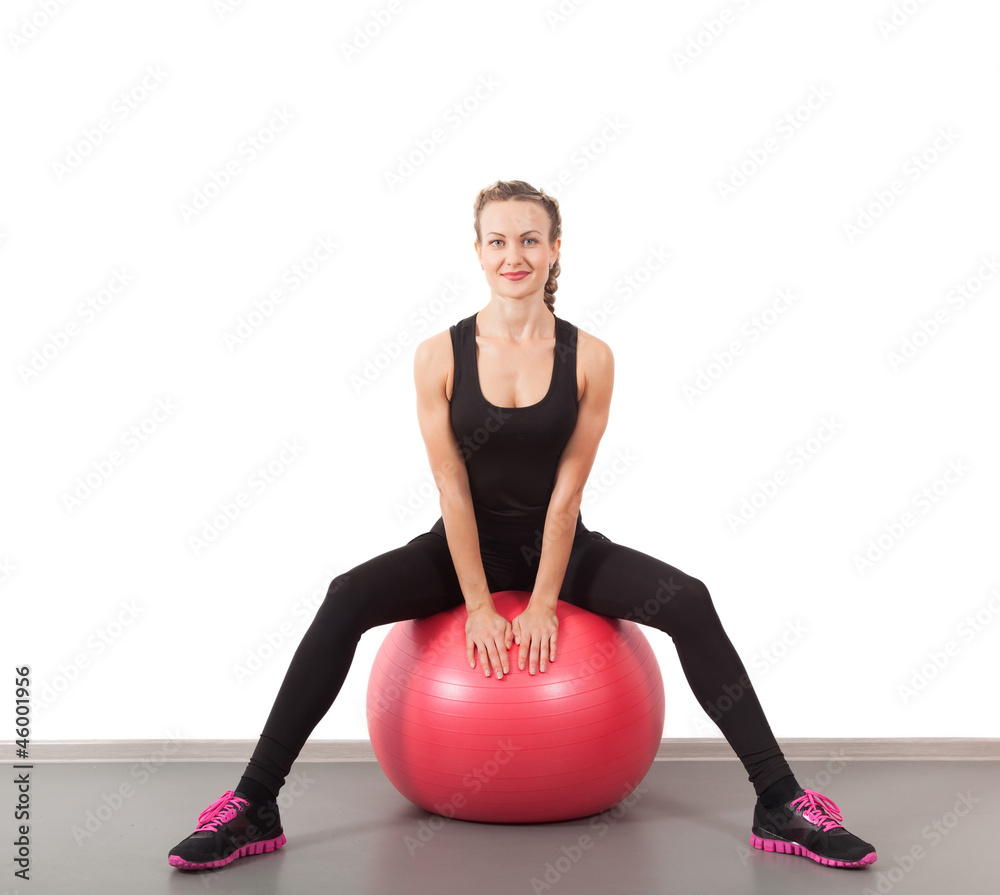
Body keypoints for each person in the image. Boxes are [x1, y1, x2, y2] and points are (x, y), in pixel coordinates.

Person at [168, 179, 877, 872]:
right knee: (345, 596)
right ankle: (254, 802)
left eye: (531, 239)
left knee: (687, 598)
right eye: (499, 239)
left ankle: (780, 800)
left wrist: (542, 601)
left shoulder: (590, 357)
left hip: (559, 549)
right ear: (476, 251)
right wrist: (478, 603)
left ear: (555, 249)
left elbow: (566, 497)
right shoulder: (438, 355)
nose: (515, 254)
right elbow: (451, 485)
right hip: (460, 547)